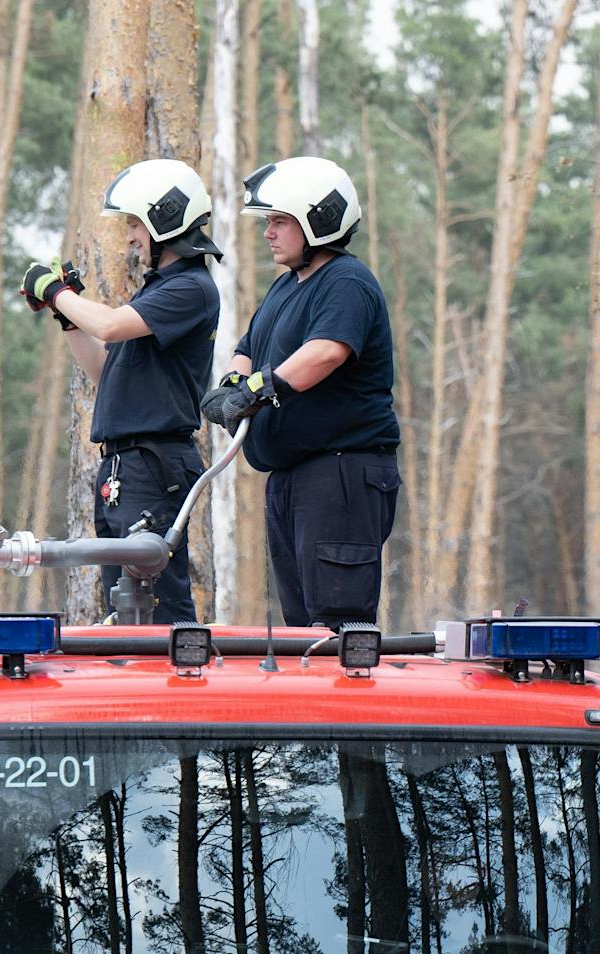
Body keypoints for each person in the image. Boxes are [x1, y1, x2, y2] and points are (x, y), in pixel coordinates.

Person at [200, 156, 401, 632]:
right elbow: (248, 349)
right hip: (292, 476)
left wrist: (256, 389)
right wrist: (231, 386)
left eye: (280, 221)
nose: (268, 233)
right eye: (268, 222)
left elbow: (326, 351)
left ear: (318, 221)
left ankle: (346, 685)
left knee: (335, 625)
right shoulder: (285, 288)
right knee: (299, 627)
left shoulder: (346, 282)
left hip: (340, 473)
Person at [21, 158, 222, 623]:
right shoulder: (155, 293)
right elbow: (105, 371)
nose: (130, 236)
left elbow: (109, 326)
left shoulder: (190, 289)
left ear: (165, 220)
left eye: (135, 224)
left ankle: (175, 671)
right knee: (123, 605)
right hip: (123, 466)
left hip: (153, 464)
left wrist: (54, 292)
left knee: (158, 602)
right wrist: (68, 315)